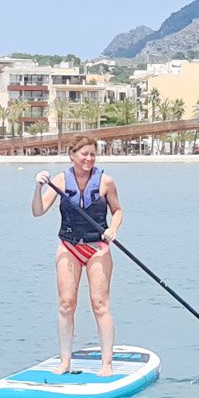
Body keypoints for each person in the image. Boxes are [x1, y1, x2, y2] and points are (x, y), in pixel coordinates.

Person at [32, 135, 123, 376]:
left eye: (92, 154)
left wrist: (113, 228)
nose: (89, 158)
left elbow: (118, 211)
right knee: (66, 304)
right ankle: (64, 362)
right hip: (69, 247)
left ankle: (106, 364)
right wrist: (38, 186)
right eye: (84, 154)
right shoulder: (60, 181)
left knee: (100, 304)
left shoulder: (106, 182)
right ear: (72, 155)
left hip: (97, 248)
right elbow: (38, 211)